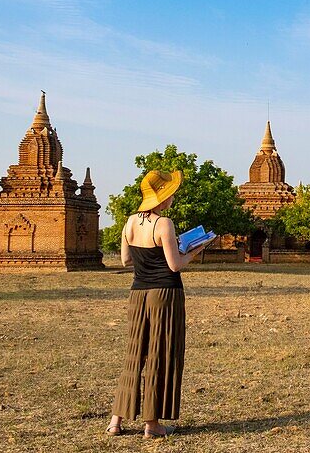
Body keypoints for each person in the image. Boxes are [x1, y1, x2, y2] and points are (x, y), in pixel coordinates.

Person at [106, 169, 213, 438]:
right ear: (164, 197)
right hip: (165, 294)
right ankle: (151, 425)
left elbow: (125, 260)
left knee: (134, 354)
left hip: (138, 293)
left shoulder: (130, 222)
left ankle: (115, 421)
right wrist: (195, 251)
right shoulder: (164, 223)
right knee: (158, 354)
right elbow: (174, 265)